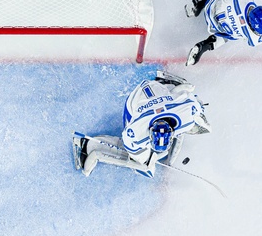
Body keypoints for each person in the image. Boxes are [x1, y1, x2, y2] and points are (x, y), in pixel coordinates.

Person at [73, 71, 210, 178]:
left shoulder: (187, 112)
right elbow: (131, 147)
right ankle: (88, 145)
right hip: (134, 104)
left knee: (181, 94)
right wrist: (146, 161)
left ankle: (167, 83)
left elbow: (195, 101)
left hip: (154, 91)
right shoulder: (135, 133)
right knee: (145, 165)